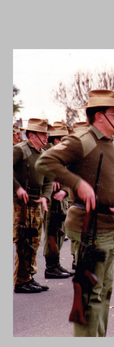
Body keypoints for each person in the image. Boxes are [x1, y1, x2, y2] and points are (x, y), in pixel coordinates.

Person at [36, 90, 114, 337]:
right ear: (100, 116)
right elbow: (45, 163)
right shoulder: (82, 140)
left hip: (108, 225)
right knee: (89, 295)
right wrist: (77, 183)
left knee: (103, 292)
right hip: (87, 226)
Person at [13, 118, 52, 293]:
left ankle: (28, 276)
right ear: (32, 135)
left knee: (34, 240)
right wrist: (18, 188)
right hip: (21, 204)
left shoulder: (43, 154)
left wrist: (45, 197)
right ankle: (21, 280)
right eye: (43, 134)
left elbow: (49, 178)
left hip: (36, 203)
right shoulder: (21, 150)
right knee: (23, 240)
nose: (46, 137)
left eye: (46, 133)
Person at [42, 122, 73, 279]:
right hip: (51, 200)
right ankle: (51, 266)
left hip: (61, 199)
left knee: (60, 232)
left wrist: (65, 191)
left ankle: (56, 263)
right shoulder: (47, 155)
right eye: (62, 139)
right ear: (54, 140)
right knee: (52, 233)